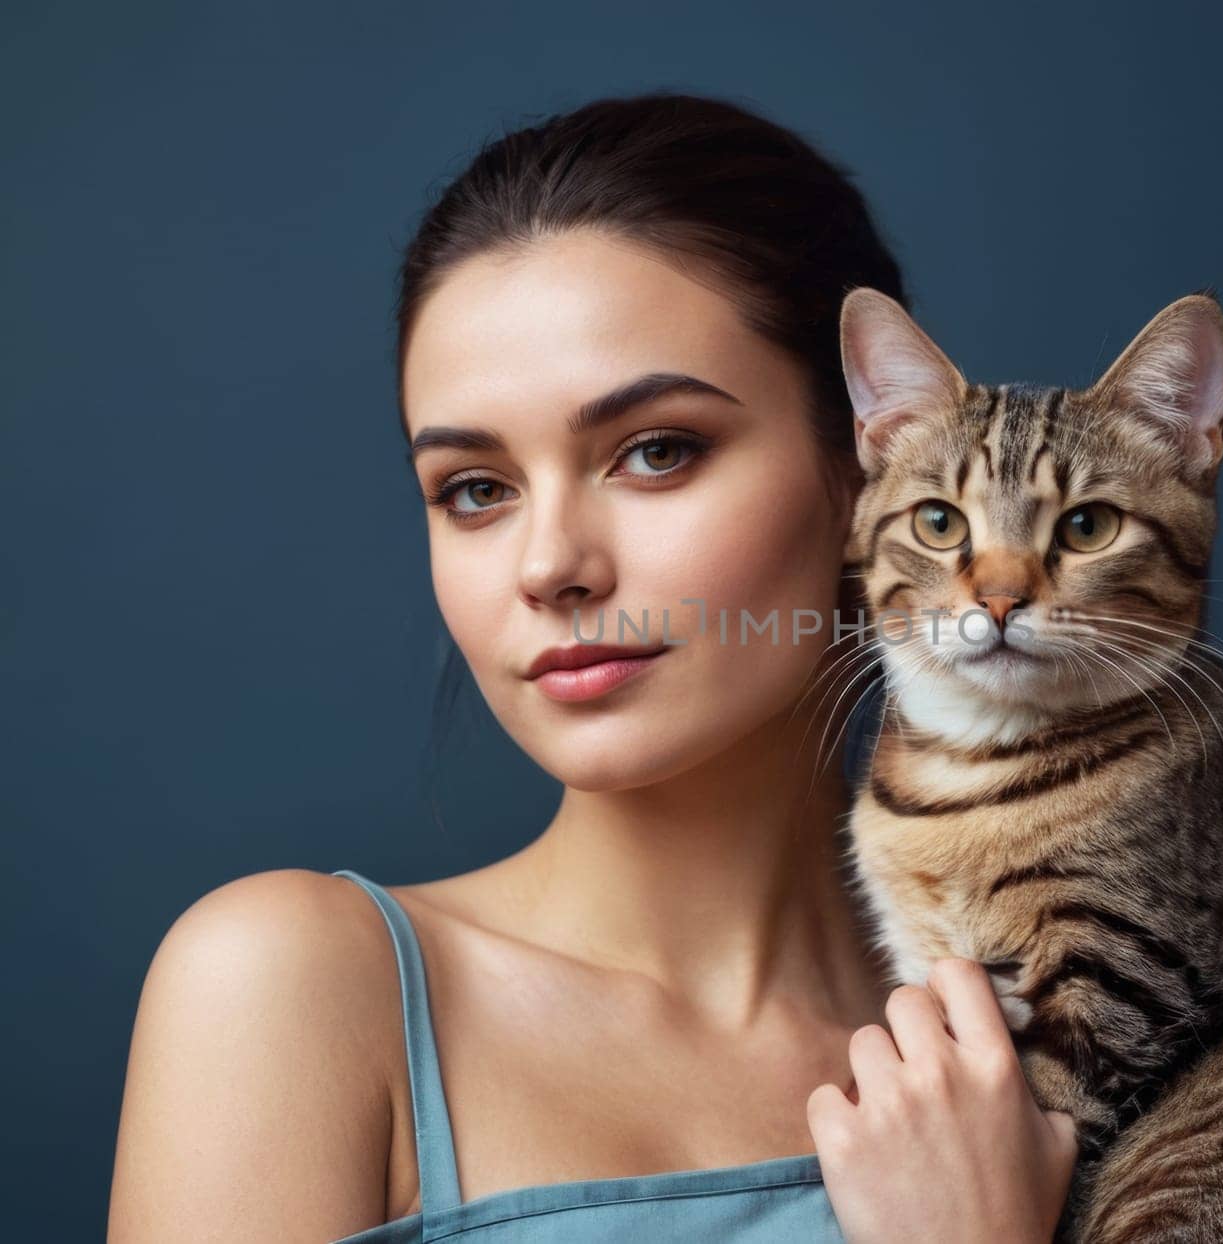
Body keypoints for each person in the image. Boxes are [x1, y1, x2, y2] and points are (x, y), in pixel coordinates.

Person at [106, 91, 1079, 1243]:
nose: (550, 565)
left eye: (655, 452)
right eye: (476, 488)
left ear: (873, 463)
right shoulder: (290, 989)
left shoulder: (1080, 1028)